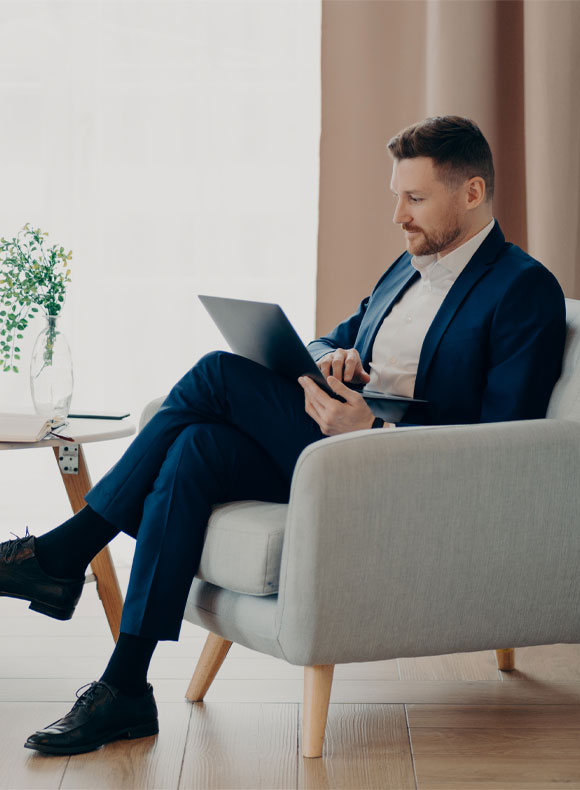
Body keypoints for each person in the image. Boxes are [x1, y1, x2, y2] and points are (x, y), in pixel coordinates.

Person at [0, 116, 566, 755]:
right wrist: (333, 358)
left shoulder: (524, 289)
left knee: (217, 373)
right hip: (334, 455)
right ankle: (126, 686)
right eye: (396, 196)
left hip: (401, 473)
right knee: (193, 449)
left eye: (415, 198)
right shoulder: (407, 269)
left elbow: (504, 436)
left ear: (471, 193)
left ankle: (65, 552)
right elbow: (340, 331)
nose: (398, 216)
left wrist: (373, 425)